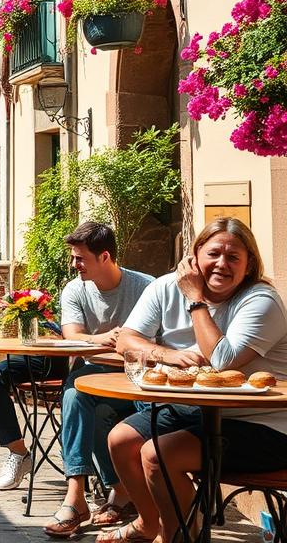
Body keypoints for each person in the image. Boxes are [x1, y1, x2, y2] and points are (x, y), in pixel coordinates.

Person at [104, 218, 287, 543]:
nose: (221, 264)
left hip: (265, 423)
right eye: (214, 253)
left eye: (233, 258)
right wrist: (166, 354)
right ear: (195, 255)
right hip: (196, 412)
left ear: (249, 265)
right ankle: (149, 523)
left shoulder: (261, 301)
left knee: (158, 455)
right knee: (120, 440)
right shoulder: (164, 287)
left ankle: (180, 535)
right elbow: (126, 340)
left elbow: (223, 359)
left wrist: (195, 299)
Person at [39, 222, 154, 539]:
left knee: (122, 414)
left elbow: (159, 339)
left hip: (139, 378)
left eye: (80, 258)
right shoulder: (75, 289)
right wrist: (108, 337)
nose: (74, 265)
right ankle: (75, 497)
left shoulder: (146, 287)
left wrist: (129, 344)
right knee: (76, 392)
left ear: (105, 256)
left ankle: (131, 493)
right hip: (96, 374)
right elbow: (72, 335)